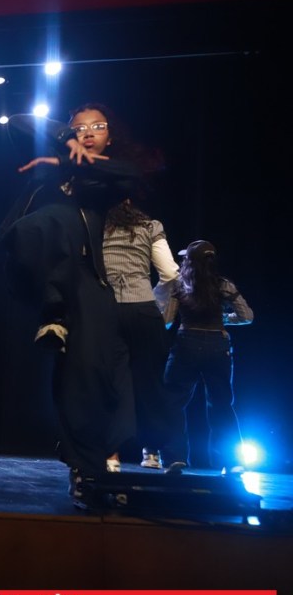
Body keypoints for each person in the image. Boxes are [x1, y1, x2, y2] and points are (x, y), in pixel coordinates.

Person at [0, 103, 143, 494]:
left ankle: (86, 462)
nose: (89, 132)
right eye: (80, 127)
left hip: (85, 278)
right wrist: (64, 142)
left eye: (98, 126)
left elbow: (131, 173)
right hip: (37, 262)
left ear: (110, 136)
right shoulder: (51, 163)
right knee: (51, 220)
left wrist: (73, 164)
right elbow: (17, 121)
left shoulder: (106, 177)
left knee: (86, 373)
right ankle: (53, 309)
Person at [102, 199, 182, 471]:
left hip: (108, 312)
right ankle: (152, 452)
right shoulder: (150, 226)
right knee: (150, 384)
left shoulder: (97, 226)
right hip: (144, 311)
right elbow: (170, 273)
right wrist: (154, 301)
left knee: (111, 384)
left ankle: (111, 455)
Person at [162, 240, 253, 474]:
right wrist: (225, 319)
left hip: (186, 344)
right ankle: (231, 462)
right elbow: (247, 316)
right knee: (221, 404)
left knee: (173, 401)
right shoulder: (224, 285)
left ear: (189, 261)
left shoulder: (179, 285)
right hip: (217, 345)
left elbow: (168, 320)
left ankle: (174, 458)